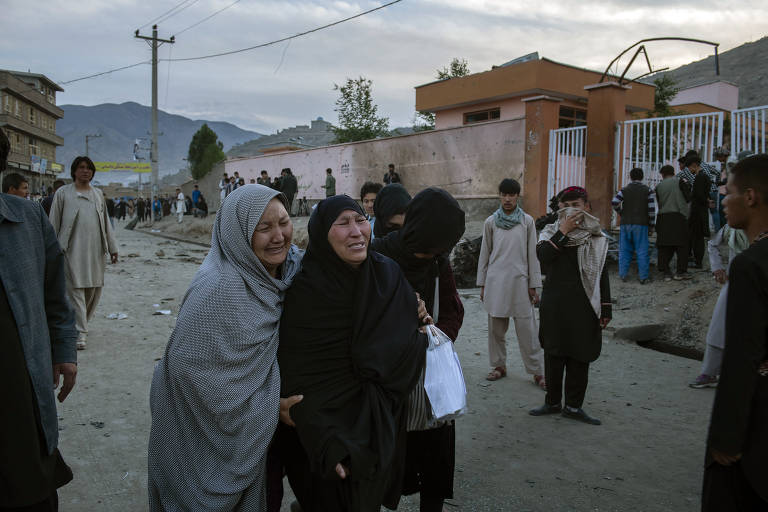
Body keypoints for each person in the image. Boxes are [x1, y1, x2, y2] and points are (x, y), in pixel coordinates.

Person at [148, 185, 304, 511]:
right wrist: (268, 408)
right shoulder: (220, 287)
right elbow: (190, 374)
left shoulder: (288, 270)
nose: (279, 236)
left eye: (284, 222)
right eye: (263, 228)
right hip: (217, 438)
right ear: (238, 234)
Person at [278, 195, 427, 512]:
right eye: (342, 223)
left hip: (378, 426)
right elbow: (297, 374)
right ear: (321, 233)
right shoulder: (305, 291)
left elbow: (408, 349)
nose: (357, 231)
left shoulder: (388, 277)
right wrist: (323, 437)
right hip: (323, 433)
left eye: (360, 220)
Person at [370, 187, 466, 512]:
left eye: (438, 250)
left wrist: (432, 338)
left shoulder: (439, 262)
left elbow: (454, 312)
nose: (430, 256)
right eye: (427, 249)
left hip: (432, 382)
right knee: (384, 462)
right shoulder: (378, 257)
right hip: (388, 381)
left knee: (436, 462)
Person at [0, 130, 79, 512]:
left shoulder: (28, 220)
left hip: (20, 395)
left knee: (31, 489)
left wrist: (64, 350)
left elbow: (55, 298)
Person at [702, 154, 768, 510]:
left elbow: (743, 355)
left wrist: (725, 437)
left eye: (728, 192)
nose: (722, 201)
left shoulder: (751, 264)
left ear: (751, 197)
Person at [530, 186, 611, 425]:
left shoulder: (597, 238)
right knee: (553, 354)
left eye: (575, 205)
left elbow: (602, 274)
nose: (571, 211)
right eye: (565, 207)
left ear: (587, 206)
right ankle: (552, 402)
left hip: (586, 305)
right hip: (555, 305)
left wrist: (606, 308)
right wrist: (563, 232)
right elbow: (543, 258)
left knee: (580, 356)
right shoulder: (550, 232)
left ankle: (574, 407)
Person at [478, 178, 545, 387]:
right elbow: (485, 254)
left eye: (511, 195)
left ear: (517, 196)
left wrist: (534, 284)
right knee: (496, 330)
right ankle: (499, 366)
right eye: (504, 195)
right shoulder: (491, 222)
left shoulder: (527, 221)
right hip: (496, 283)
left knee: (528, 331)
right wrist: (483, 284)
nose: (507, 199)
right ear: (499, 196)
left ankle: (538, 371)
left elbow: (533, 255)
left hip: (520, 283)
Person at [49, 156, 118, 350]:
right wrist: (50, 249)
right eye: (81, 167)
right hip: (71, 251)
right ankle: (81, 333)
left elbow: (106, 224)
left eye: (89, 168)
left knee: (94, 290)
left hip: (95, 252)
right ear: (74, 171)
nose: (85, 171)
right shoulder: (63, 194)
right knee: (76, 290)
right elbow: (53, 222)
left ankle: (80, 325)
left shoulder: (97, 194)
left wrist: (113, 248)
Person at [689, 222, 749, 389]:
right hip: (734, 283)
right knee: (718, 328)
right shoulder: (733, 227)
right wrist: (717, 268)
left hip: (759, 285)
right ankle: (709, 373)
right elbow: (712, 244)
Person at [612, 167, 656, 283]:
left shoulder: (624, 190)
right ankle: (643, 277)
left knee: (624, 250)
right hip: (641, 224)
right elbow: (651, 210)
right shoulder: (648, 190)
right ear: (642, 177)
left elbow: (615, 202)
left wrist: (621, 212)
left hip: (625, 223)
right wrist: (652, 225)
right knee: (642, 250)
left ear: (630, 177)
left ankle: (623, 275)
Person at [655, 165, 692, 281]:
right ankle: (680, 272)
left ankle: (666, 272)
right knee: (682, 245)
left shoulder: (658, 186)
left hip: (663, 216)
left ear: (663, 174)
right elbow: (688, 198)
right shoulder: (680, 182)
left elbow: (659, 201)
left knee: (665, 245)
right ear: (673, 172)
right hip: (678, 215)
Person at [687, 155, 712, 269]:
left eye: (690, 168)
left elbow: (699, 195)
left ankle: (698, 261)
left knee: (697, 238)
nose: (690, 171)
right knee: (699, 238)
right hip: (701, 211)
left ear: (694, 165)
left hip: (698, 212)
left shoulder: (700, 177)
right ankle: (698, 260)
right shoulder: (705, 176)